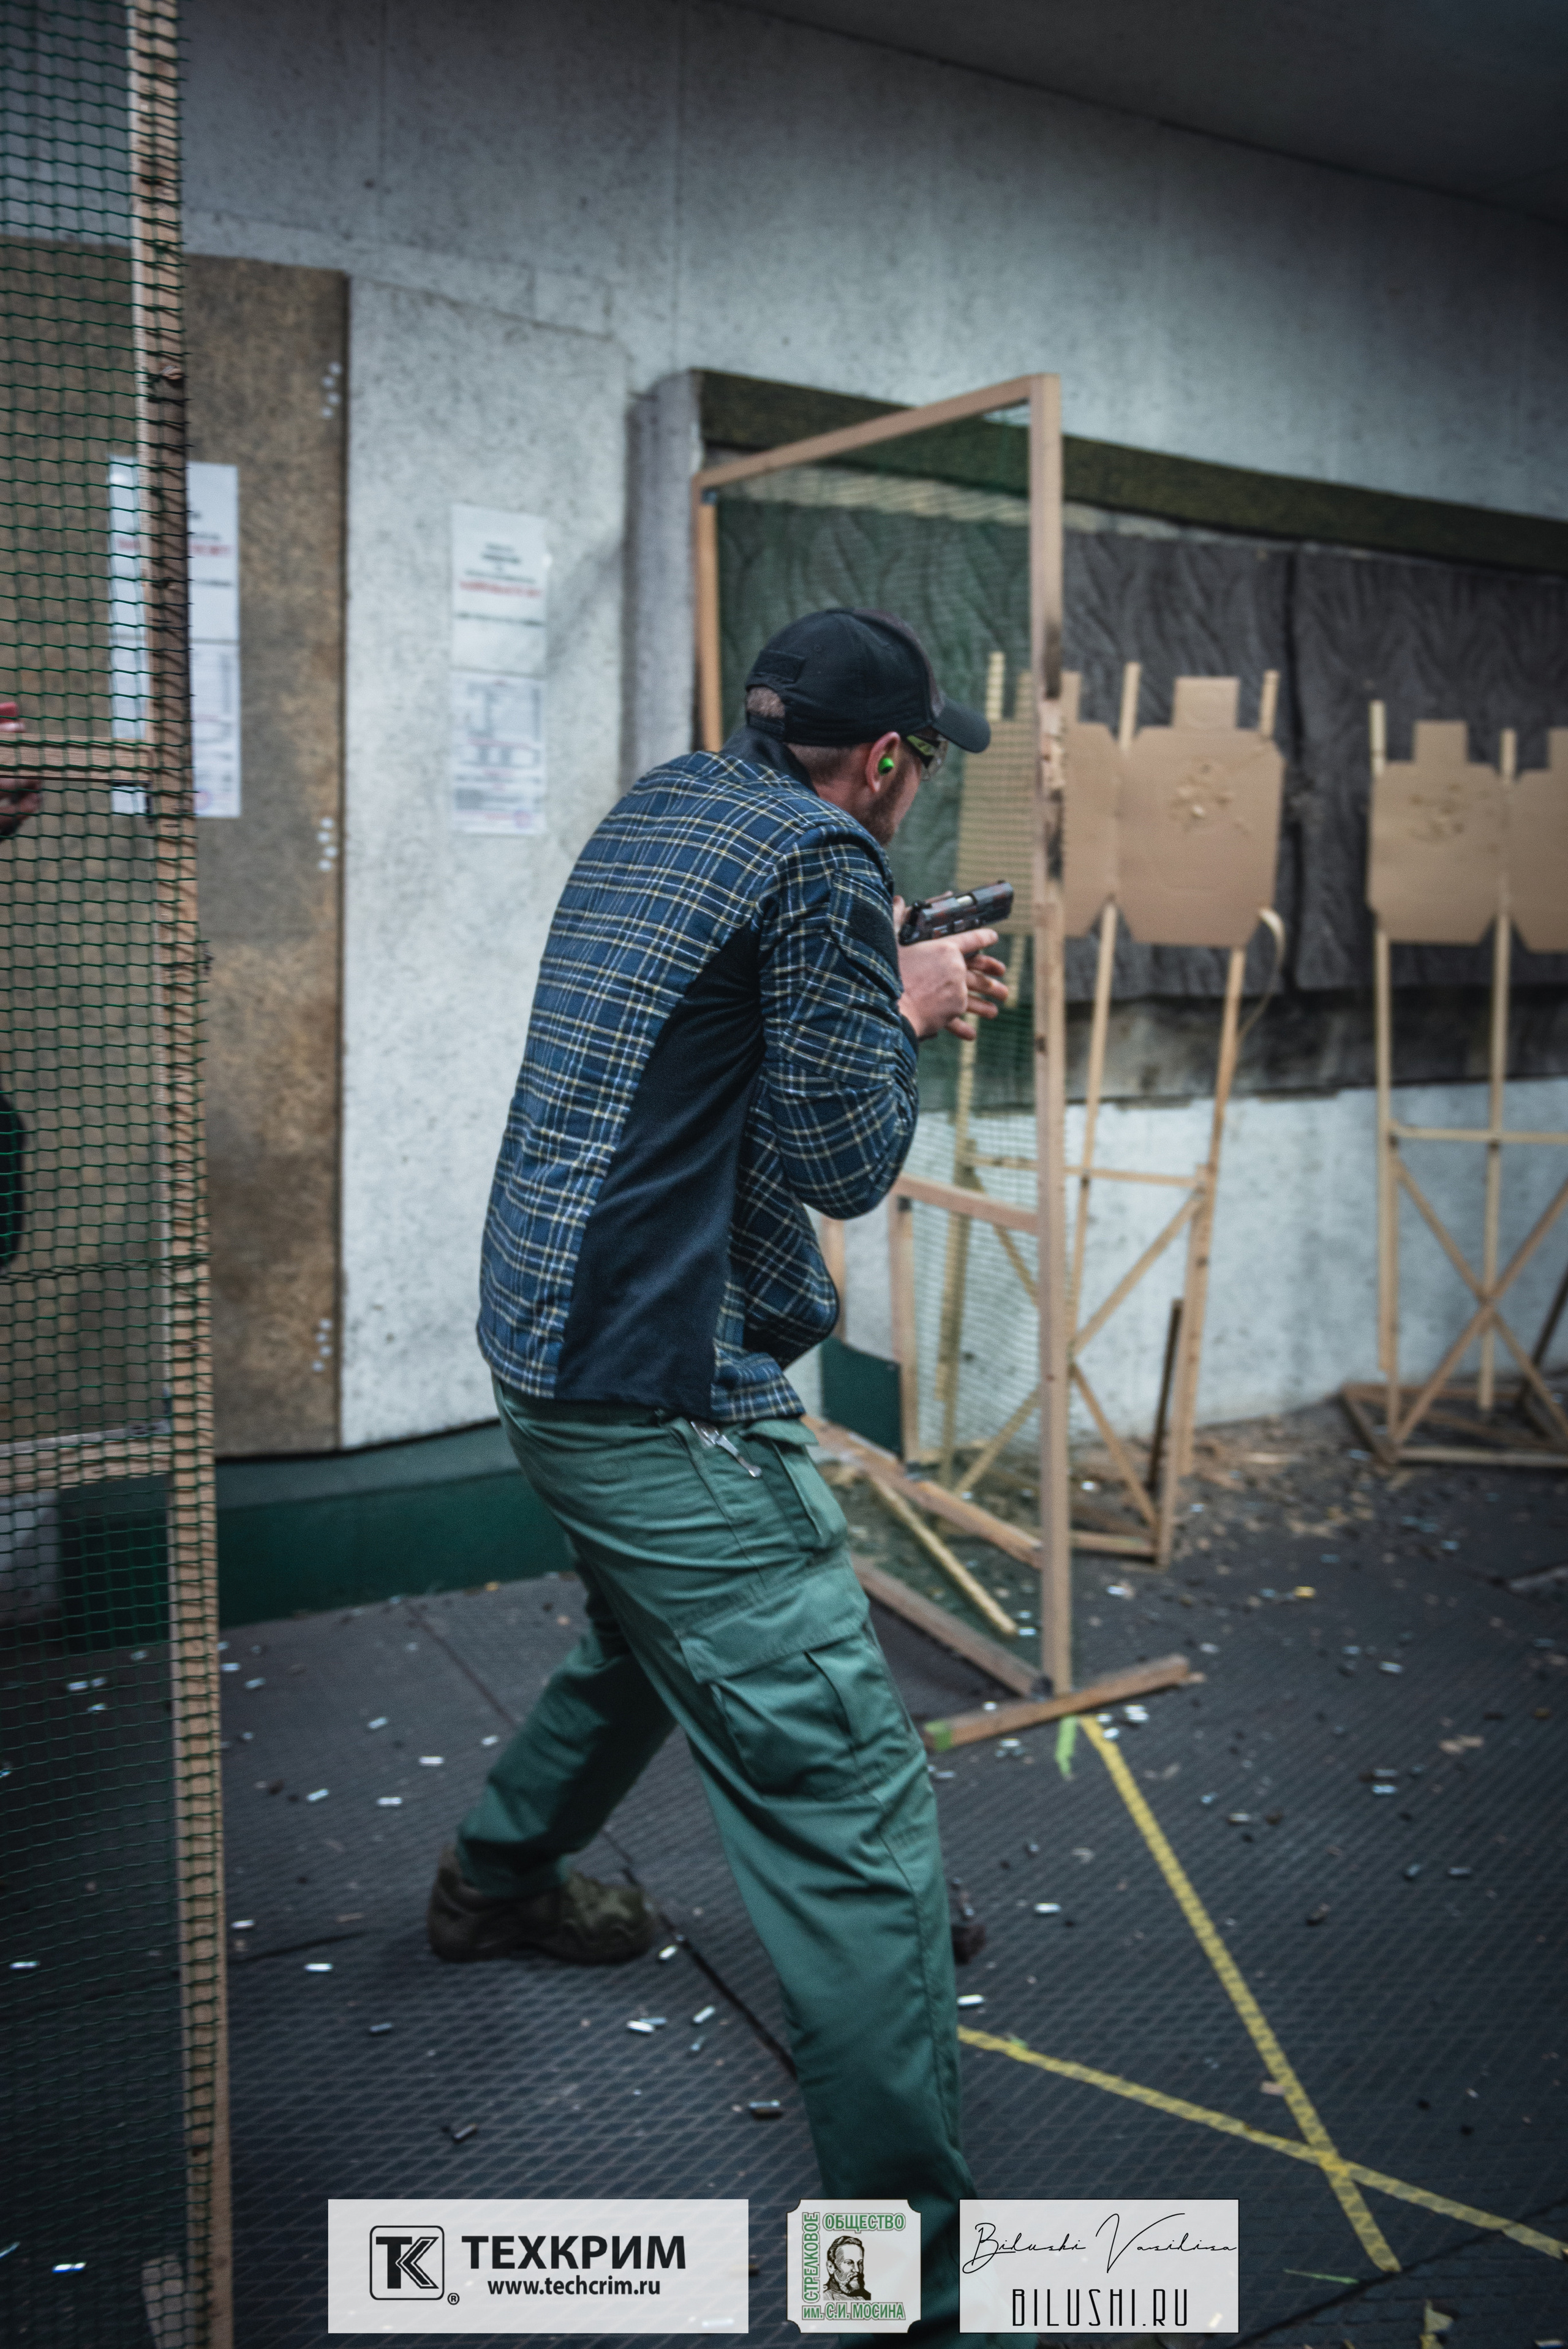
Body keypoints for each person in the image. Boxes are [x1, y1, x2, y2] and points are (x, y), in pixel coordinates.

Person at [429, 608, 1008, 2346]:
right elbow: (840, 1152)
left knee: (648, 1630)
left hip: (546, 1344)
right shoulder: (830, 858)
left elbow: (720, 1025)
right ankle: (904, 2287)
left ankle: (499, 1880)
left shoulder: (673, 800)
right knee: (851, 1806)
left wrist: (860, 969)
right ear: (890, 762)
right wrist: (899, 998)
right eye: (920, 762)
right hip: (654, 1379)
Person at [824, 2236, 871, 2301]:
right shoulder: (824, 2297)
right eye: (849, 2263)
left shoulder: (867, 2297)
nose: (857, 2270)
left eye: (860, 2263)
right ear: (831, 2267)